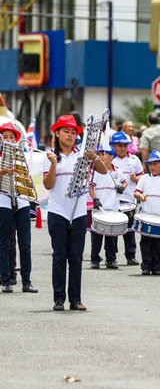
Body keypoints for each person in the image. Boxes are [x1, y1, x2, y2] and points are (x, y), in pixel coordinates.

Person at [43, 115, 107, 311]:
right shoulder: (50, 156)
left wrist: (94, 157)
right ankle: (59, 299)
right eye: (66, 131)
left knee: (76, 256)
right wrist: (54, 164)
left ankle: (76, 299)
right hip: (57, 211)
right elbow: (47, 184)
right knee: (59, 255)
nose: (70, 135)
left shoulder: (82, 154)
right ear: (57, 133)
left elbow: (103, 171)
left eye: (73, 132)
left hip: (78, 212)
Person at [0, 122, 37, 294]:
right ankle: (6, 280)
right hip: (3, 199)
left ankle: (27, 281)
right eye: (5, 137)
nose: (8, 140)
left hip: (21, 200)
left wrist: (23, 177)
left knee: (25, 243)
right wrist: (3, 172)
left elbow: (29, 183)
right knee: (4, 242)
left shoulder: (22, 157)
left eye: (11, 137)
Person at [134, 151, 160, 275]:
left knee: (158, 243)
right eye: (150, 164)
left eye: (155, 164)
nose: (152, 167)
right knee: (145, 242)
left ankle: (157, 266)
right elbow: (136, 192)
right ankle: (146, 266)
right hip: (146, 216)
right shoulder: (144, 178)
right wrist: (140, 196)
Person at [89, 145, 127, 270]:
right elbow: (91, 187)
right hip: (100, 208)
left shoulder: (117, 172)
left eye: (103, 154)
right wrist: (95, 199)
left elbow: (124, 181)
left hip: (113, 208)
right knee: (97, 236)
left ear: (111, 157)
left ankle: (111, 259)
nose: (100, 157)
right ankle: (95, 259)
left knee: (111, 237)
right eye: (99, 154)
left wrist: (122, 186)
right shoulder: (95, 171)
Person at [111, 132, 144, 265]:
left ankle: (131, 255)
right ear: (113, 146)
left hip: (129, 199)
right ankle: (111, 257)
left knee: (129, 230)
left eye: (125, 145)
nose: (123, 148)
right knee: (112, 230)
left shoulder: (134, 160)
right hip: (113, 200)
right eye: (120, 145)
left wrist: (136, 179)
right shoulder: (109, 159)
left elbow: (142, 176)